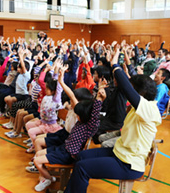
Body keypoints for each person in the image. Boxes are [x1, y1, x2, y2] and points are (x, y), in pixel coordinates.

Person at [64, 48, 161, 193]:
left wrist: (115, 64)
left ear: (141, 93)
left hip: (129, 163)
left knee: (82, 168)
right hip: (119, 152)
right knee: (81, 156)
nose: (128, 91)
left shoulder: (149, 110)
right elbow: (128, 84)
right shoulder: (139, 107)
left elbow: (127, 87)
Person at [32, 65, 106, 192]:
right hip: (63, 148)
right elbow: (72, 96)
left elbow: (93, 113)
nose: (75, 115)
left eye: (77, 114)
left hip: (68, 155)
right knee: (37, 154)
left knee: (37, 161)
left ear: (83, 115)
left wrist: (99, 98)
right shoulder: (81, 119)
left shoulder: (89, 125)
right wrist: (60, 81)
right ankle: (47, 178)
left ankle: (48, 178)